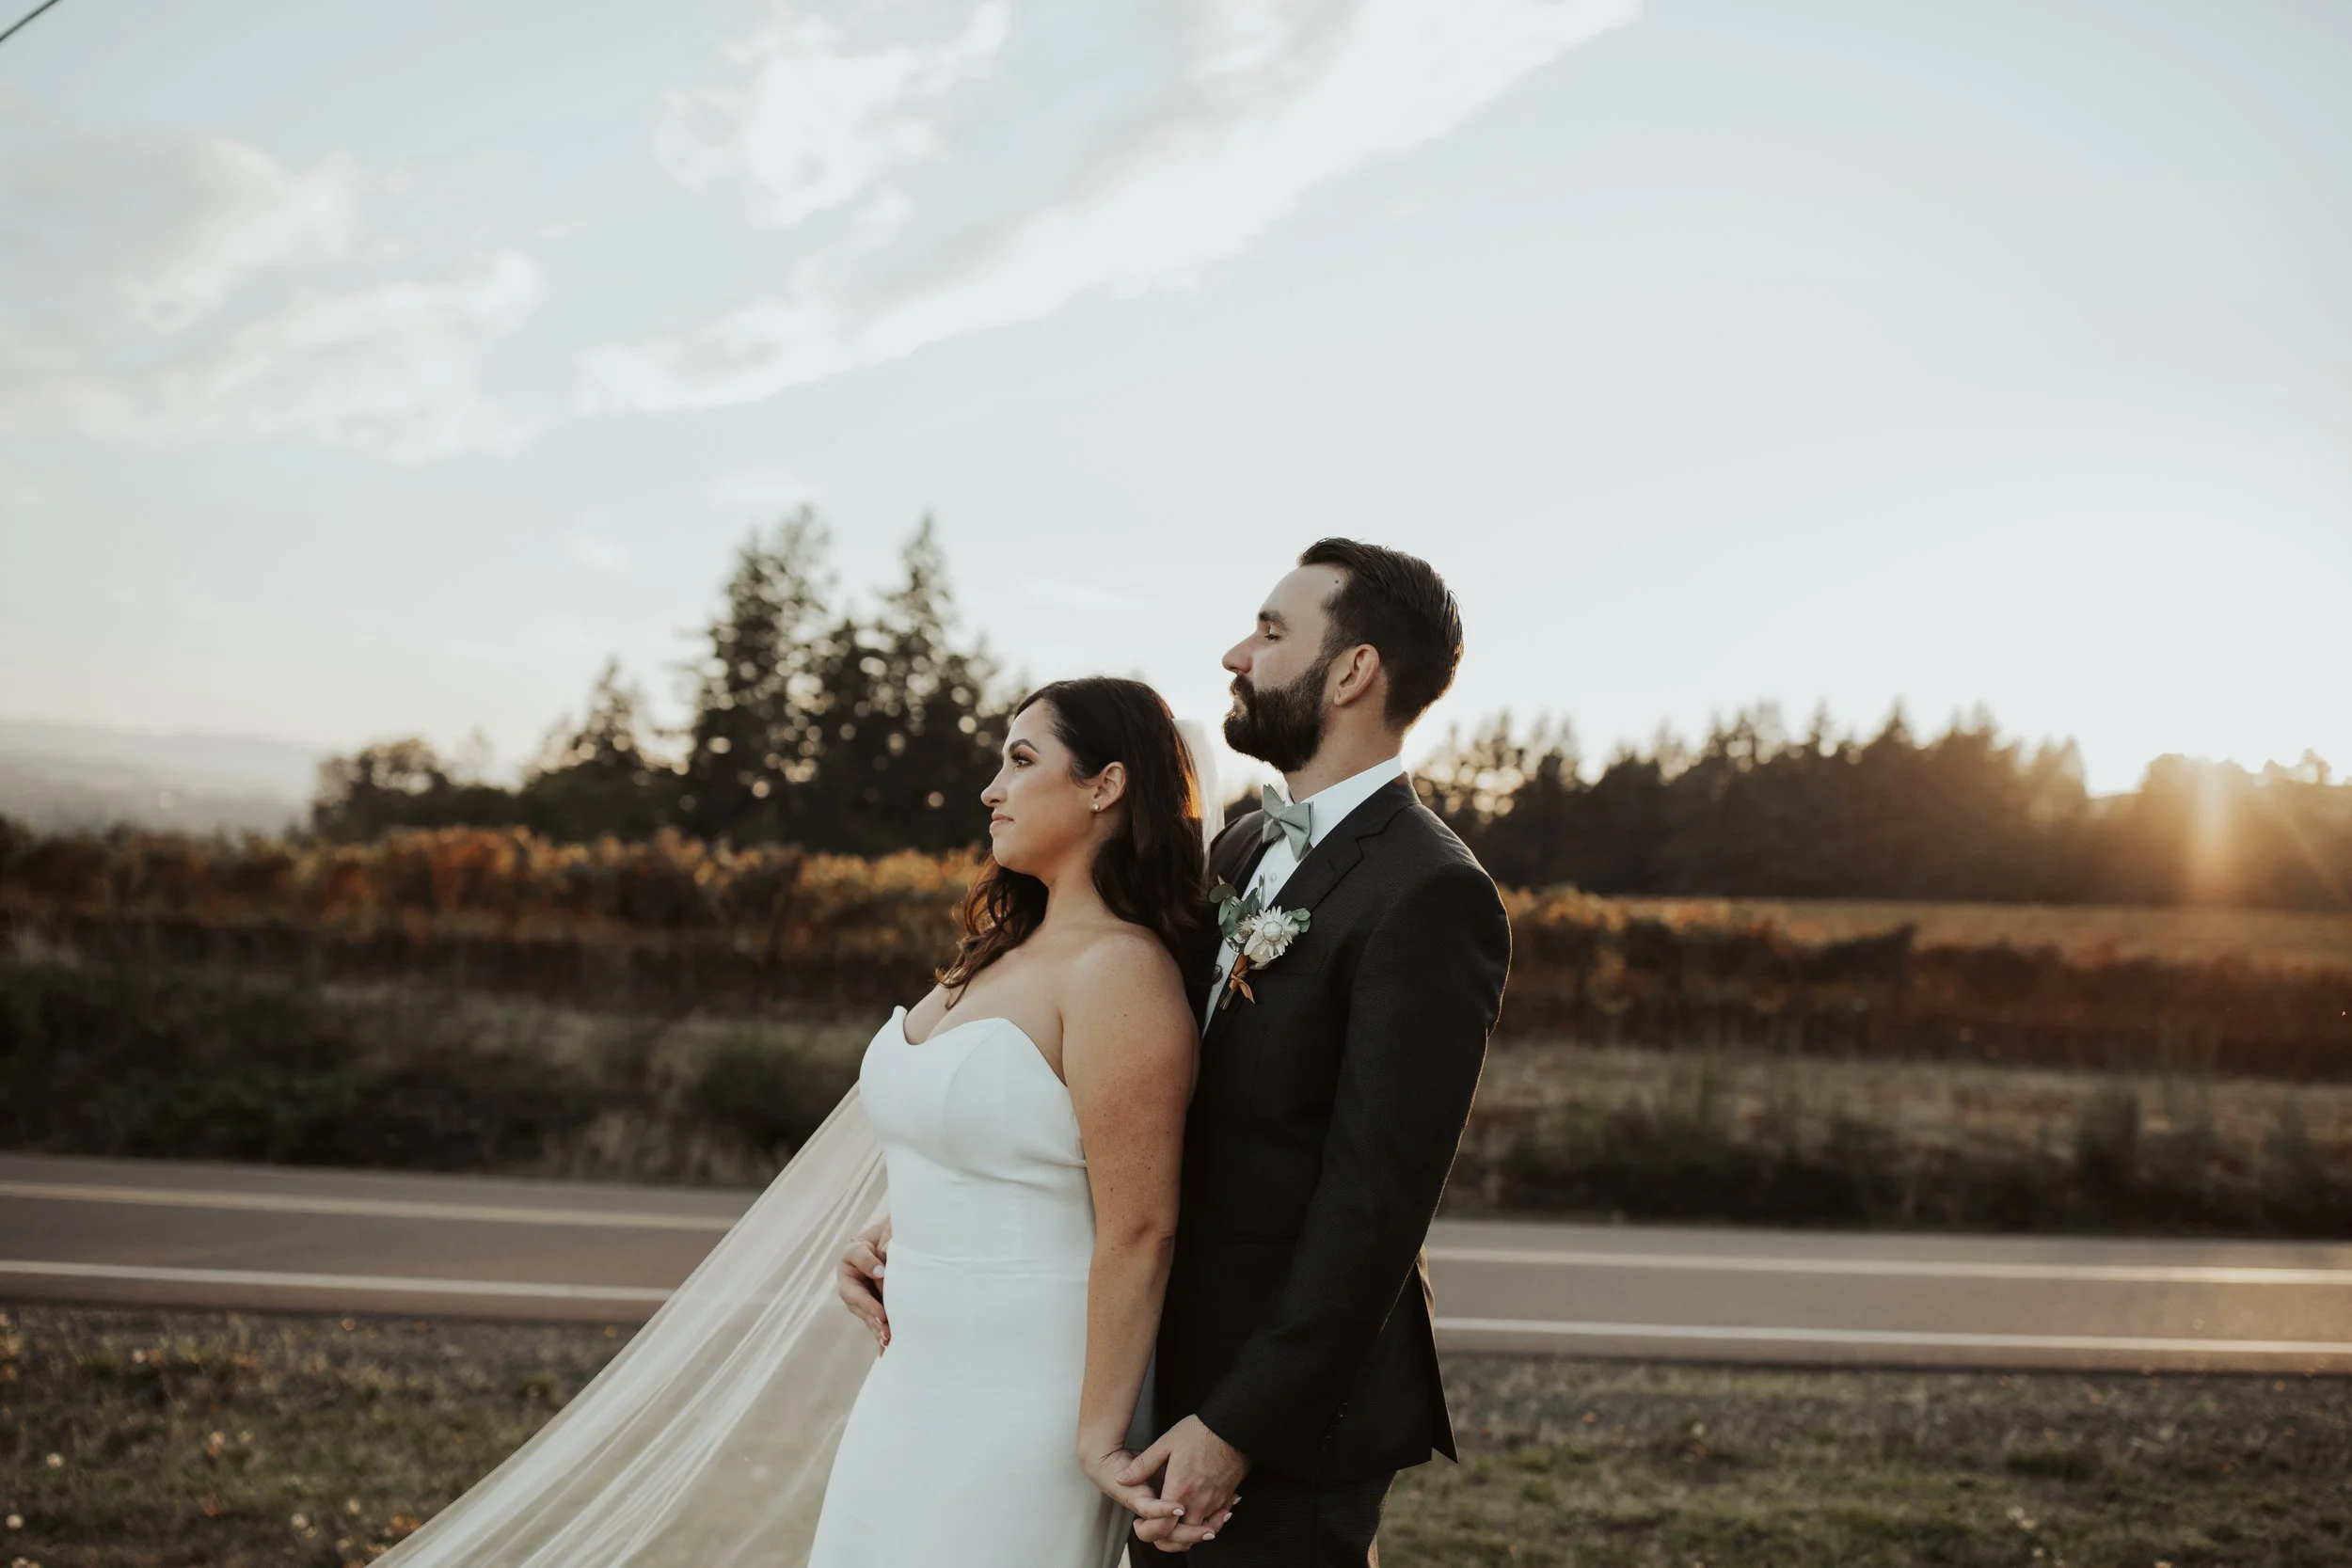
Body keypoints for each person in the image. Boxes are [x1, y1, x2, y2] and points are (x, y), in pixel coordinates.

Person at [1120, 538, 1513, 1563]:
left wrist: (1237, 1425)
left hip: (1286, 1421)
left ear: (1352, 671)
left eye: (1270, 630)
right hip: (1171, 1365)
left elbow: (1373, 1202)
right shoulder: (1242, 847)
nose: (1234, 655)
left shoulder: (1430, 892)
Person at [812, 676, 1224, 1565]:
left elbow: (1141, 1226)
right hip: (910, 1376)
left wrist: (1096, 1435)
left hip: (1032, 1394)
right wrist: (889, 1230)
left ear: (1104, 785)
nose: (992, 788)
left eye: (1022, 759)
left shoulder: (1119, 971)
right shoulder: (1001, 947)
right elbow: (986, 1134)